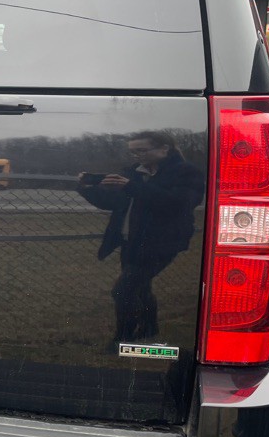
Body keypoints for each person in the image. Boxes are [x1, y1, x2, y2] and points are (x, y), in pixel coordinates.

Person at [78, 132, 204, 343]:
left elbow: (178, 203)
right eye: (133, 152)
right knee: (141, 288)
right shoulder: (134, 173)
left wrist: (130, 186)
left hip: (162, 243)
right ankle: (149, 329)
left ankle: (123, 338)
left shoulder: (186, 172)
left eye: (142, 150)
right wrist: (86, 188)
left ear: (164, 149)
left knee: (123, 291)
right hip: (131, 241)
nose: (137, 155)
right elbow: (113, 203)